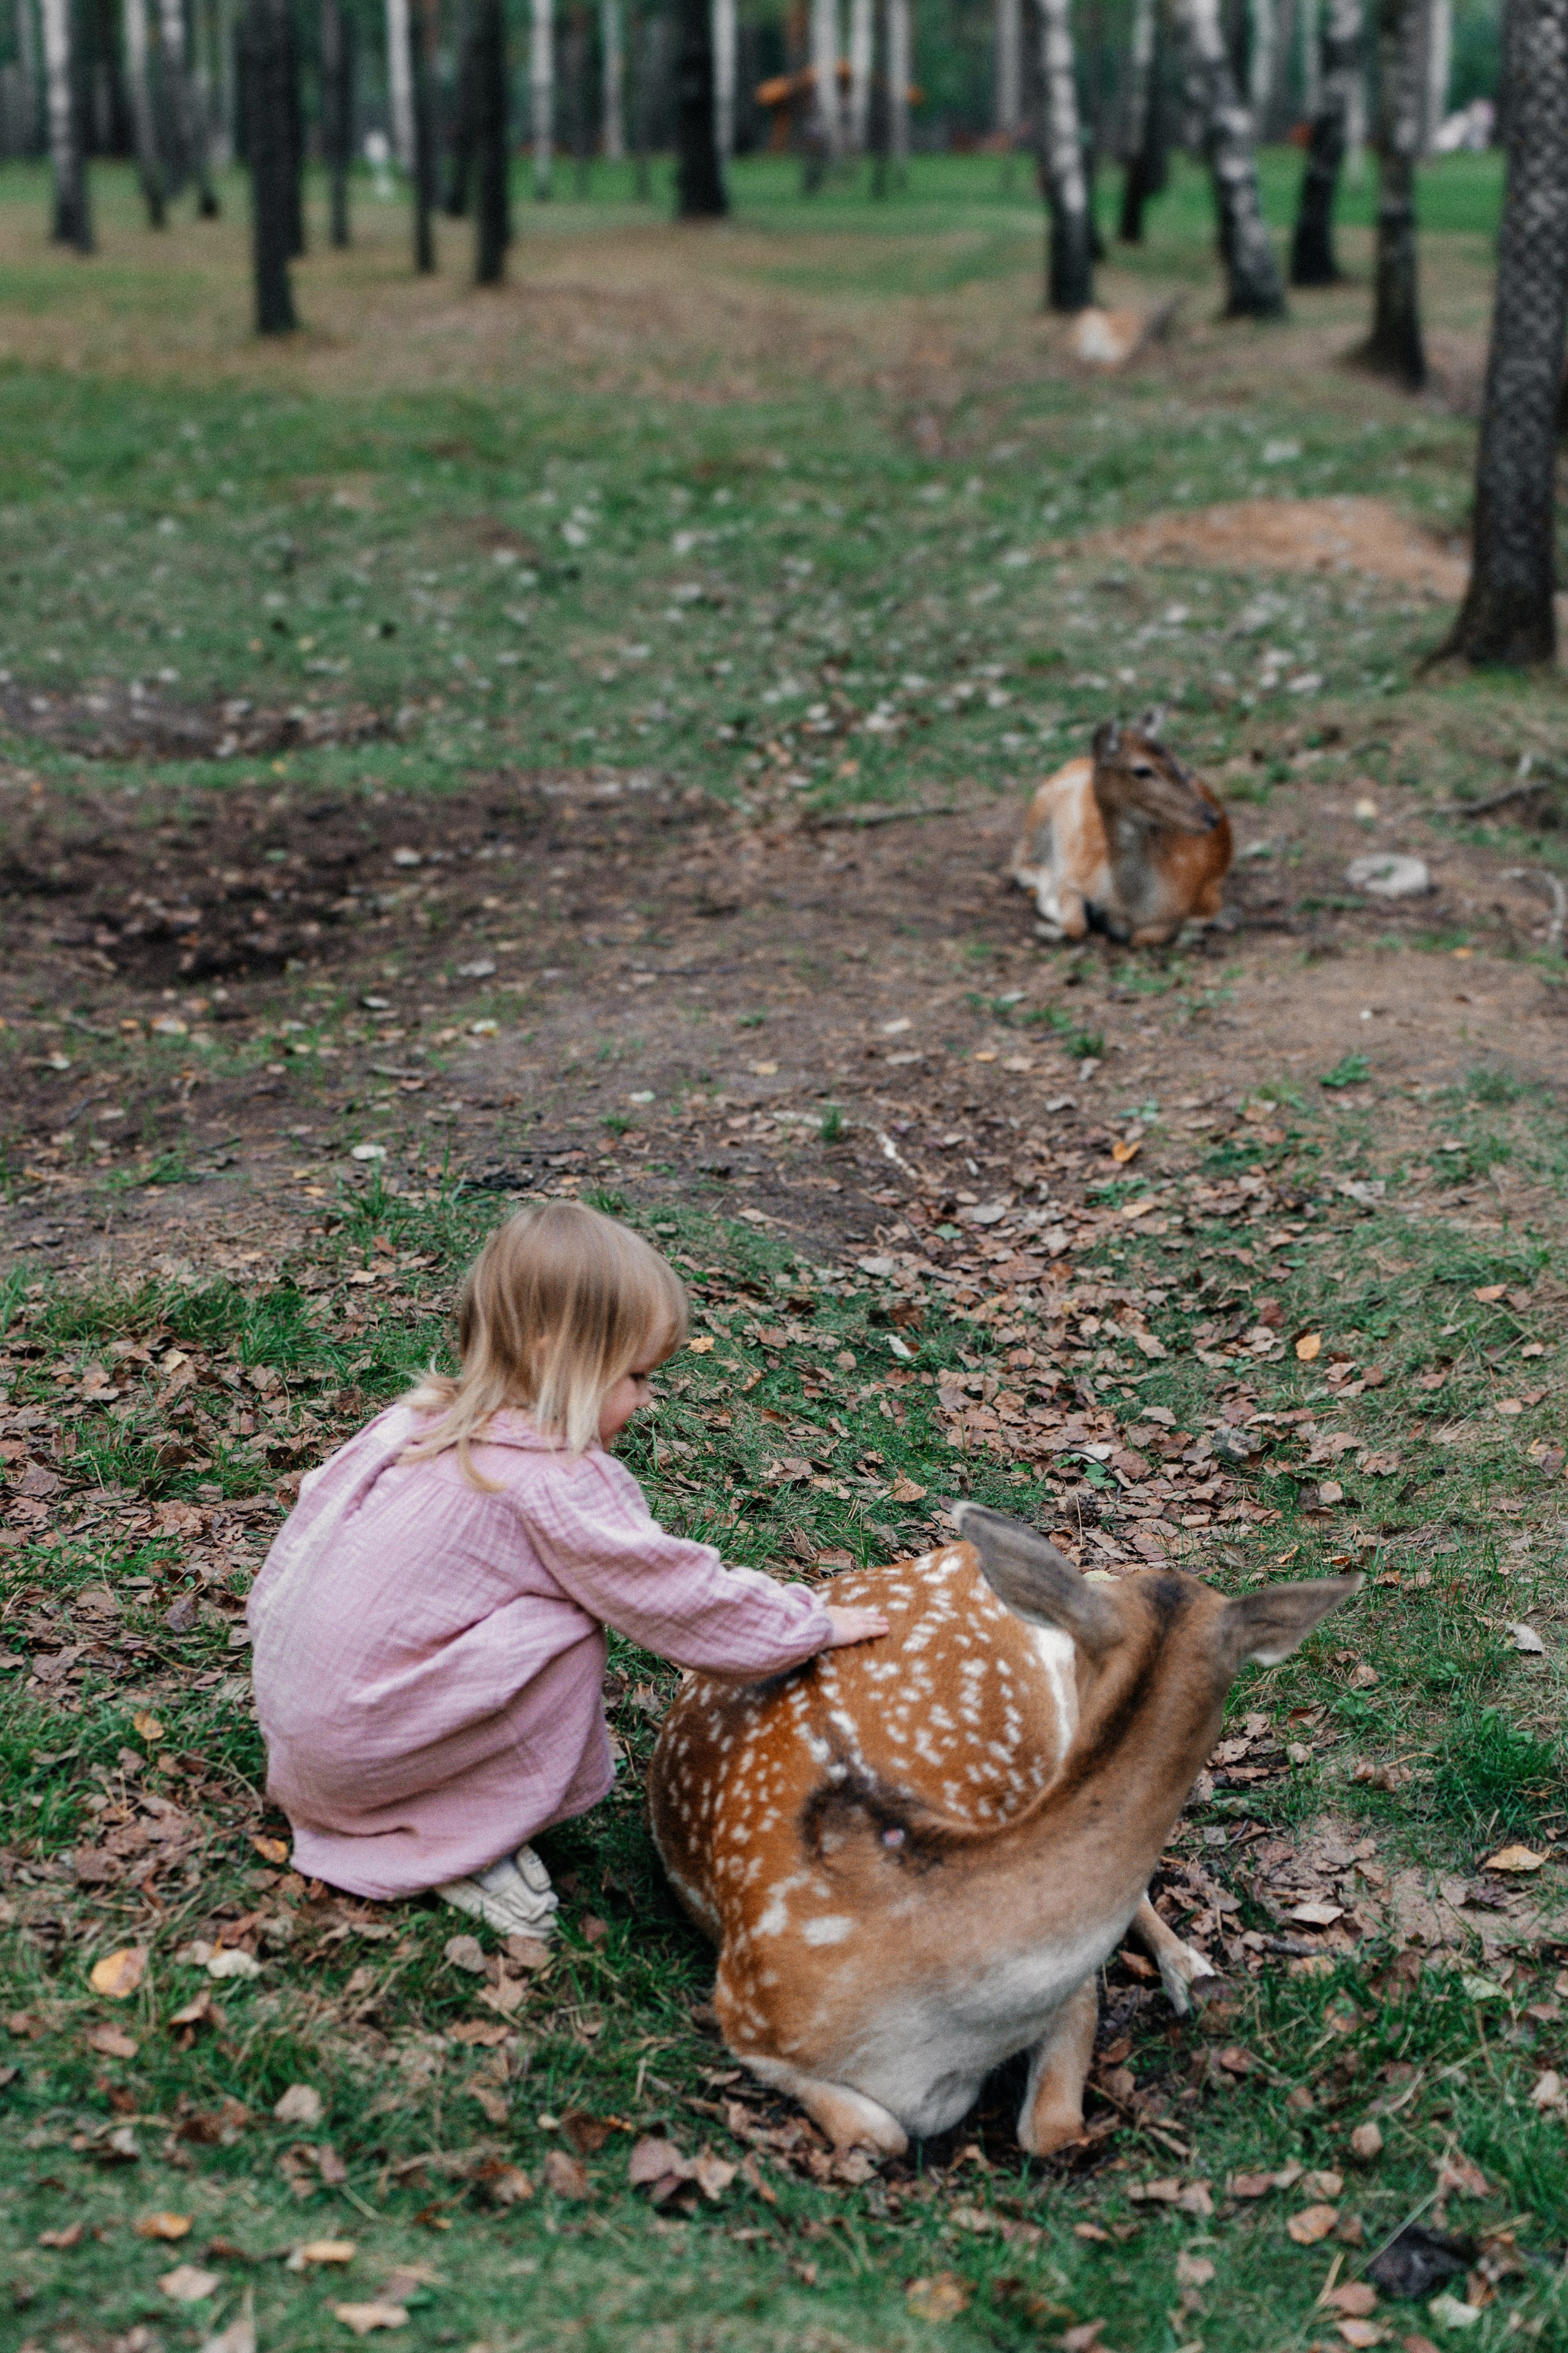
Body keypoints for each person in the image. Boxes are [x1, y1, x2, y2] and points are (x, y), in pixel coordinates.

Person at [247, 1200, 888, 1936]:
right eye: (637, 1375)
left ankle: (403, 1793)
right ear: (558, 1358)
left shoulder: (414, 1421)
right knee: (567, 1618)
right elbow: (675, 1596)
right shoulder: (555, 1481)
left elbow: (308, 1523)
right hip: (363, 1762)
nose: (648, 1398)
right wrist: (807, 1623)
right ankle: (450, 1832)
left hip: (302, 1731)